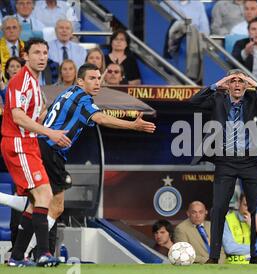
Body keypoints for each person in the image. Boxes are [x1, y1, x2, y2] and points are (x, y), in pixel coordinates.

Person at [12, 63, 155, 258]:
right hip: (50, 150)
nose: (97, 83)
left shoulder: (67, 93)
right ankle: (40, 252)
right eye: (92, 78)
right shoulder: (83, 99)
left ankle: (19, 255)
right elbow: (101, 119)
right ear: (80, 81)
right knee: (55, 206)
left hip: (40, 148)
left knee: (35, 204)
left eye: (98, 79)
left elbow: (45, 114)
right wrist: (133, 126)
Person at [190, 69, 257, 264]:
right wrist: (217, 84)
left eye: (241, 81)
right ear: (228, 85)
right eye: (233, 81)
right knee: (218, 209)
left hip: (250, 162)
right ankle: (214, 257)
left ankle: (256, 256)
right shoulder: (217, 99)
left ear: (246, 84)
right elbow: (194, 101)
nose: (237, 85)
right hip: (225, 161)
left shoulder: (254, 99)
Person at [1, 38, 71, 267]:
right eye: (37, 52)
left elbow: (35, 114)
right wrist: (50, 133)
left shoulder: (34, 82)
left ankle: (17, 257)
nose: (42, 57)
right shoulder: (20, 80)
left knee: (36, 202)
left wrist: (47, 117)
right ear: (25, 56)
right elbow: (18, 116)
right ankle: (44, 253)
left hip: (29, 143)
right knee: (45, 196)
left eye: (44, 52)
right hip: (18, 142)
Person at [223, 193, 251, 264]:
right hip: (233, 266)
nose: (248, 209)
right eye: (245, 205)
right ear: (239, 204)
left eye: (251, 205)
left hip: (255, 265)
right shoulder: (228, 220)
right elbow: (229, 248)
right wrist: (254, 249)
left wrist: (252, 226)